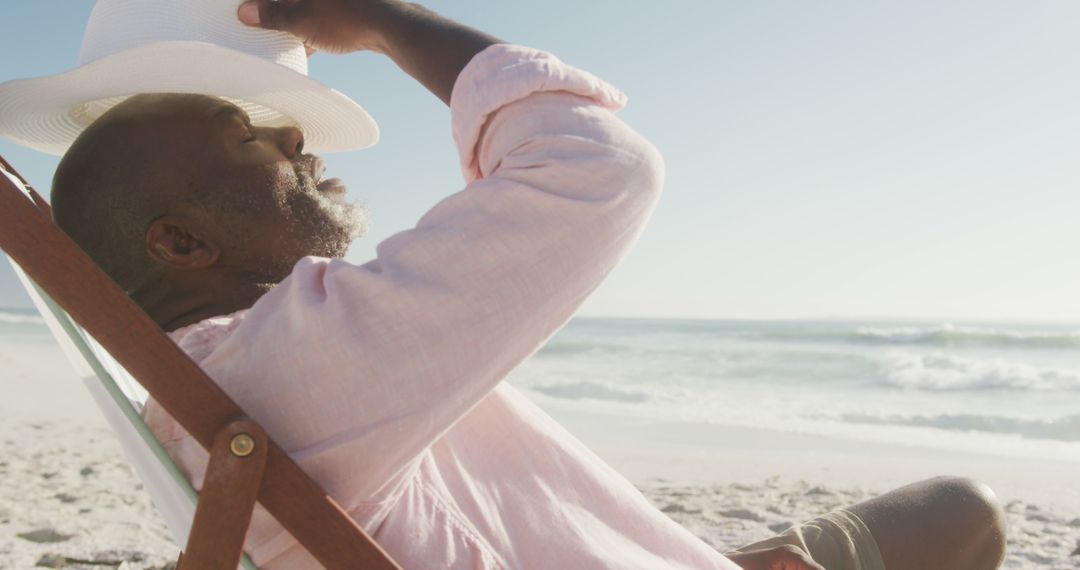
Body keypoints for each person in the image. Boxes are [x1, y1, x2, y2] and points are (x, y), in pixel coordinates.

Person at [45, 1, 1006, 568]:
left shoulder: (241, 376)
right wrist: (386, 19)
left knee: (954, 508)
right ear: (178, 243)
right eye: (248, 137)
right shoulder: (292, 364)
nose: (297, 140)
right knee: (967, 514)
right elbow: (596, 169)